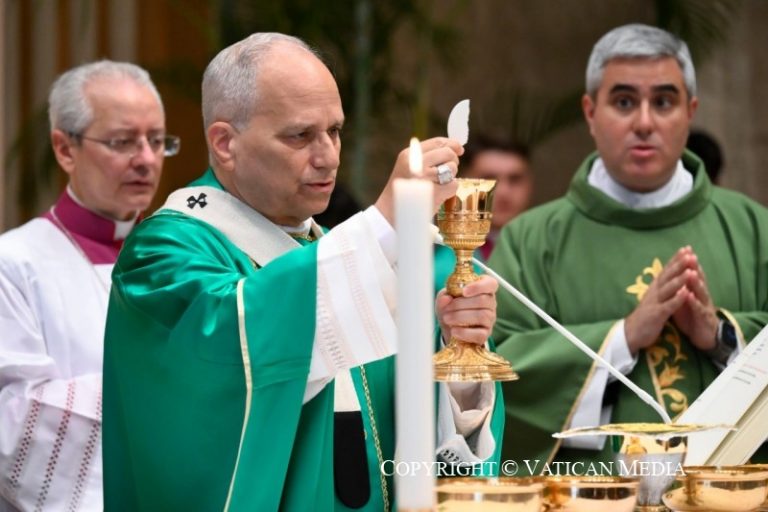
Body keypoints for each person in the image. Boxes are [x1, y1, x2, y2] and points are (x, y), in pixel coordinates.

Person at [102, 33, 504, 511]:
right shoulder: (162, 256)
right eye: (300, 136)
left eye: (335, 131)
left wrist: (456, 356)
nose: (328, 156)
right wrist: (385, 220)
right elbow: (236, 354)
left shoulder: (344, 259)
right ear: (225, 143)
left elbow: (410, 431)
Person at [489, 23, 768, 470]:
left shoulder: (754, 228)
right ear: (590, 112)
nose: (644, 122)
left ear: (690, 111)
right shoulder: (530, 241)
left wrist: (720, 336)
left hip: (729, 493)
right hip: (586, 494)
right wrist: (622, 338)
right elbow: (495, 376)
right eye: (623, 102)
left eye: (663, 102)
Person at [0, 61, 175, 510]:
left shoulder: (182, 260)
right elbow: (13, 421)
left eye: (157, 141)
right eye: (122, 142)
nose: (146, 159)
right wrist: (169, 392)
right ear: (65, 149)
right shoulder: (13, 265)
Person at [460, 135, 532, 260]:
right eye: (488, 178)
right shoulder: (431, 252)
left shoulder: (551, 248)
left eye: (515, 179)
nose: (504, 192)